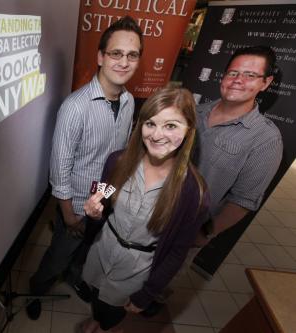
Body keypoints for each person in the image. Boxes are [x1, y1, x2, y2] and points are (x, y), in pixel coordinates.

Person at [27, 16, 144, 320]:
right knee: (58, 255)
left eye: (132, 55)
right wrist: (69, 216)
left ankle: (73, 276)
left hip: (106, 199)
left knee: (85, 251)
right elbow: (59, 168)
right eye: (116, 53)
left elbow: (119, 154)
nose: (124, 62)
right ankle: (37, 287)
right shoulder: (75, 107)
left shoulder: (130, 101)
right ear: (101, 57)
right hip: (76, 206)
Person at [81, 86, 209, 333]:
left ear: (189, 130)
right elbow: (105, 194)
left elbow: (177, 252)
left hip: (136, 270)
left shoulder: (194, 193)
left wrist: (147, 294)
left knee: (113, 313)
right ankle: (97, 320)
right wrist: (95, 210)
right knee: (96, 297)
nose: (157, 135)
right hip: (102, 251)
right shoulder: (117, 161)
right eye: (150, 124)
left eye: (171, 126)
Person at [194, 46, 283, 245]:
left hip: (188, 233)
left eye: (250, 75)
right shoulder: (194, 111)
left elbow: (244, 200)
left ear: (265, 83)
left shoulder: (266, 139)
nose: (238, 80)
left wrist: (205, 234)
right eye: (233, 73)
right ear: (223, 76)